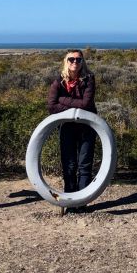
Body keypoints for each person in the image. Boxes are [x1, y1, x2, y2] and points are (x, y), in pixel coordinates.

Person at [47, 49, 97, 194]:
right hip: (67, 127)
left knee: (84, 165)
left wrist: (62, 100)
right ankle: (70, 200)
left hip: (87, 126)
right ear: (66, 61)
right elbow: (51, 106)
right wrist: (73, 104)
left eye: (78, 59)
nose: (75, 62)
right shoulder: (59, 81)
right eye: (71, 59)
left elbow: (86, 104)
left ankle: (82, 201)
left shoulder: (89, 79)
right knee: (69, 165)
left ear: (82, 62)